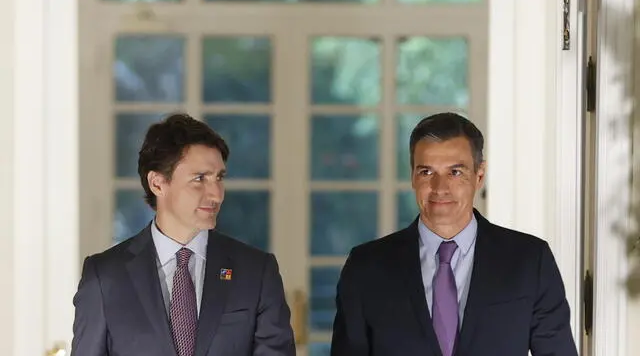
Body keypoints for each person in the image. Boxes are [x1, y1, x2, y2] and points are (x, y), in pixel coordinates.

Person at [330, 112, 578, 356]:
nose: (440, 188)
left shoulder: (530, 260)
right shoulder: (366, 268)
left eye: (455, 172)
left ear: (479, 175)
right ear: (413, 177)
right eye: (426, 172)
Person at [71, 113, 296, 356]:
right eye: (200, 179)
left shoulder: (256, 272)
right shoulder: (104, 277)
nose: (217, 194)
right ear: (157, 184)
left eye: (219, 178)